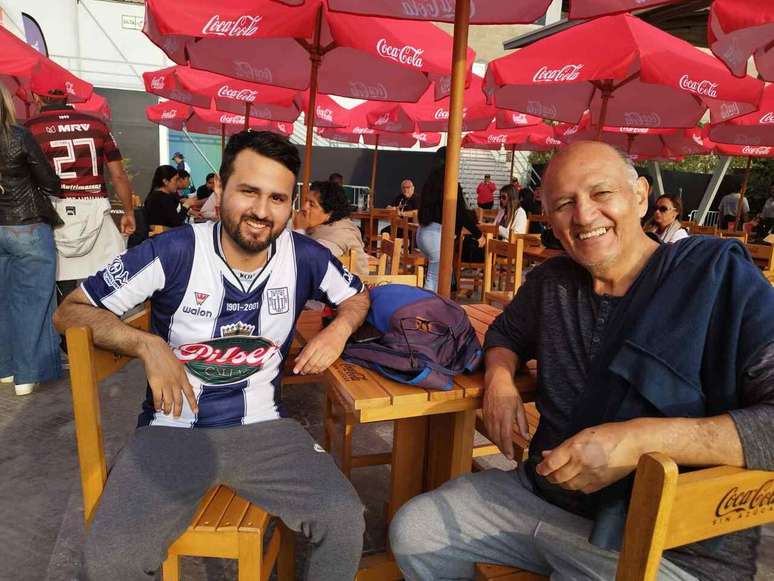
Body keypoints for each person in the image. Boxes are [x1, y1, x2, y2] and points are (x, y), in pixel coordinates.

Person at [390, 141, 774, 581]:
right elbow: (506, 332)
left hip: (671, 546)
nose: (585, 216)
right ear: (550, 218)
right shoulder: (553, 283)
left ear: (641, 196)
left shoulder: (717, 280)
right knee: (416, 531)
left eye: (601, 193)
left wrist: (638, 441)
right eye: (565, 203)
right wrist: (498, 377)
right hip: (543, 497)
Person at [53, 130, 370, 580]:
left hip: (267, 432)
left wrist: (339, 328)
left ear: (291, 203)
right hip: (172, 431)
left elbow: (358, 297)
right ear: (220, 189)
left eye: (277, 198)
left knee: (343, 519)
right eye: (248, 191)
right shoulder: (174, 250)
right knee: (108, 559)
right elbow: (70, 311)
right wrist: (146, 343)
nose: (262, 211)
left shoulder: (305, 256)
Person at [25, 80, 135, 299]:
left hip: (54, 211)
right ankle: (100, 328)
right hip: (95, 207)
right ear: (67, 98)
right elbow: (118, 175)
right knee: (107, 281)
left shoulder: (30, 129)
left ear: (37, 98)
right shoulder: (97, 125)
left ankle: (68, 330)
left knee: (61, 283)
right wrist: (129, 212)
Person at [0, 85, 63, 396]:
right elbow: (48, 179)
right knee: (33, 302)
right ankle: (27, 374)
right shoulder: (17, 135)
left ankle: (6, 369)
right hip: (26, 225)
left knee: (4, 300)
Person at [417, 147, 484, 292]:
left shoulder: (430, 181)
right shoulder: (450, 184)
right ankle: (428, 311)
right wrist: (478, 234)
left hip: (423, 233)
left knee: (433, 278)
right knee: (433, 281)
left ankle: (430, 308)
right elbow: (460, 212)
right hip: (437, 235)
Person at [293, 180, 369, 277]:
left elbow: (304, 261)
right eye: (305, 201)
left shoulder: (338, 234)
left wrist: (299, 230)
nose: (303, 207)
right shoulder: (317, 229)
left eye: (311, 204)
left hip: (350, 290)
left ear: (329, 213)